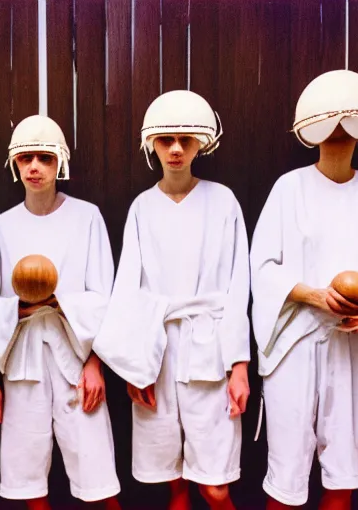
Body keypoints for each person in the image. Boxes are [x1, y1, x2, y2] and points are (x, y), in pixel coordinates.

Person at [249, 69, 358, 510]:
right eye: (331, 120)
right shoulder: (289, 188)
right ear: (312, 126)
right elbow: (261, 268)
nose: (340, 130)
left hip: (350, 347)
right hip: (295, 344)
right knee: (285, 476)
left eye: (349, 120)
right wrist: (312, 294)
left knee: (342, 473)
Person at [93, 90, 251, 510]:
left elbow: (239, 288)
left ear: (202, 141)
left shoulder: (223, 201)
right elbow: (128, 289)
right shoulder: (142, 207)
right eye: (166, 140)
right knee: (174, 482)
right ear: (151, 144)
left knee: (214, 485)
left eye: (185, 138)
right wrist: (133, 365)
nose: (176, 149)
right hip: (156, 353)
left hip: (211, 349)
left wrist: (239, 367)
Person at [0, 115, 121, 510]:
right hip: (21, 360)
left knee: (96, 478)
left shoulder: (87, 216)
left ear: (60, 161)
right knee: (27, 481)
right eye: (26, 158)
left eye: (44, 158)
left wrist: (95, 364)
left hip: (75, 356)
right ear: (15, 164)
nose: (35, 167)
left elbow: (105, 295)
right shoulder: (0, 226)